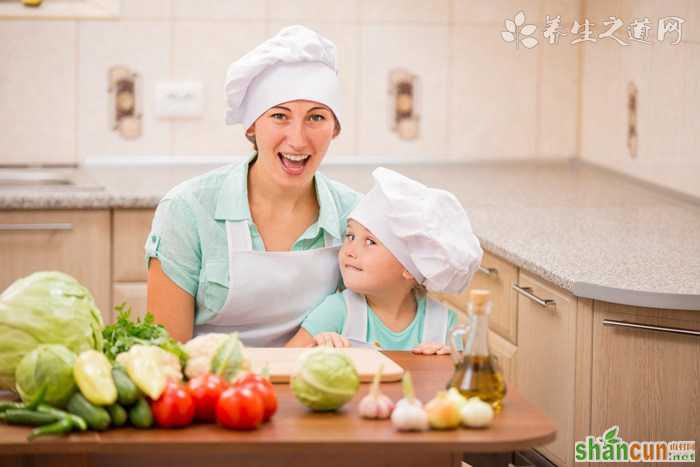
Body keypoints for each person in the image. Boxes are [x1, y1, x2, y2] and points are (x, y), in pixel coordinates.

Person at [145, 25, 360, 345]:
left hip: (313, 391)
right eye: (279, 116)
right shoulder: (188, 210)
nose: (298, 139)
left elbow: (384, 322)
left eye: (316, 117)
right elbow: (167, 354)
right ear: (251, 125)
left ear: (335, 128)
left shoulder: (355, 216)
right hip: (214, 389)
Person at [286, 167, 483, 354]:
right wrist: (314, 349)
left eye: (370, 242)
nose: (350, 251)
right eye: (350, 236)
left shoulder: (443, 324)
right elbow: (281, 361)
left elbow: (457, 382)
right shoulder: (336, 311)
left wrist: (442, 360)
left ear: (408, 267)